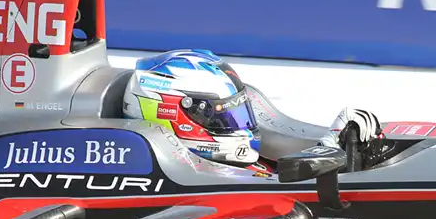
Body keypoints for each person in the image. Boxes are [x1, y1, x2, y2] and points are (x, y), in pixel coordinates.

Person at [121, 49, 383, 171]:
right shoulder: (197, 175)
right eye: (220, 113)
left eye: (238, 112)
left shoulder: (232, 162)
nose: (237, 124)